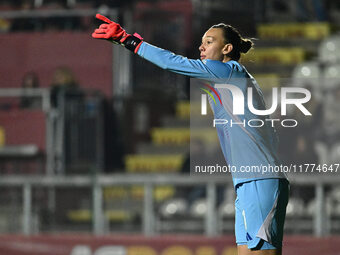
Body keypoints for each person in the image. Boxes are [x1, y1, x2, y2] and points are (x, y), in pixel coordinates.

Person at [92, 14, 289, 255]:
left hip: (259, 181)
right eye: (202, 41)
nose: (201, 46)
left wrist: (130, 41)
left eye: (209, 41)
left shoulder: (228, 72)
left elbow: (174, 62)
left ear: (227, 48)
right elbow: (272, 136)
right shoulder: (235, 81)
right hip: (249, 182)